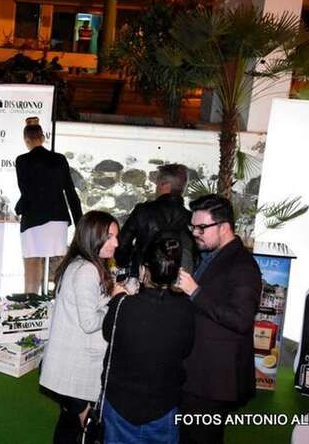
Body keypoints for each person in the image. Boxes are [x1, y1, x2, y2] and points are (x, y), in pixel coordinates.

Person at [175, 194, 262, 444]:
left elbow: (242, 319)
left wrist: (195, 292)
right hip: (198, 373)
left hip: (214, 378)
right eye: (193, 227)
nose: (195, 233)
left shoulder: (243, 265)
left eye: (202, 227)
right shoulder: (212, 255)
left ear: (224, 227)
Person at [39, 211, 126, 443]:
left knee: (69, 425)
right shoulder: (87, 269)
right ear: (93, 237)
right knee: (84, 430)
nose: (116, 243)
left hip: (67, 365)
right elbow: (89, 323)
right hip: (75, 367)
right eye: (110, 237)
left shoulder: (79, 264)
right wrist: (116, 299)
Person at [101, 235, 195, 444]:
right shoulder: (187, 309)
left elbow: (109, 334)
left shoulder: (123, 305)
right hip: (164, 405)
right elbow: (186, 349)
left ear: (143, 271)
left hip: (120, 404)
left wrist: (117, 297)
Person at [15, 119, 82, 294]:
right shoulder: (59, 159)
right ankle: (60, 304)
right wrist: (80, 222)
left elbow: (26, 190)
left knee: (32, 265)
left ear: (26, 139)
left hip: (33, 218)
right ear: (43, 137)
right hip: (57, 216)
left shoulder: (22, 160)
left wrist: (19, 207)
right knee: (59, 265)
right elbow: (70, 192)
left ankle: (31, 307)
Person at [115, 163, 195, 279]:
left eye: (157, 184)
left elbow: (122, 244)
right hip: (179, 283)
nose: (156, 188)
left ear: (165, 185)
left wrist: (125, 265)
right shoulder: (192, 218)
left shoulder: (143, 211)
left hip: (143, 279)